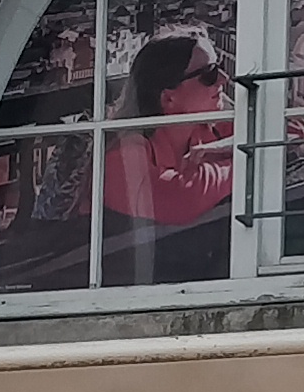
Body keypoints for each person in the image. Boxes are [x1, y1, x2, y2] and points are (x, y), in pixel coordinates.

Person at [101, 32, 235, 286]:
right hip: (122, 291)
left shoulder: (204, 129)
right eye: (209, 74)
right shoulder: (121, 154)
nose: (224, 79)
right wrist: (243, 158)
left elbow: (292, 130)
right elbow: (180, 198)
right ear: (168, 97)